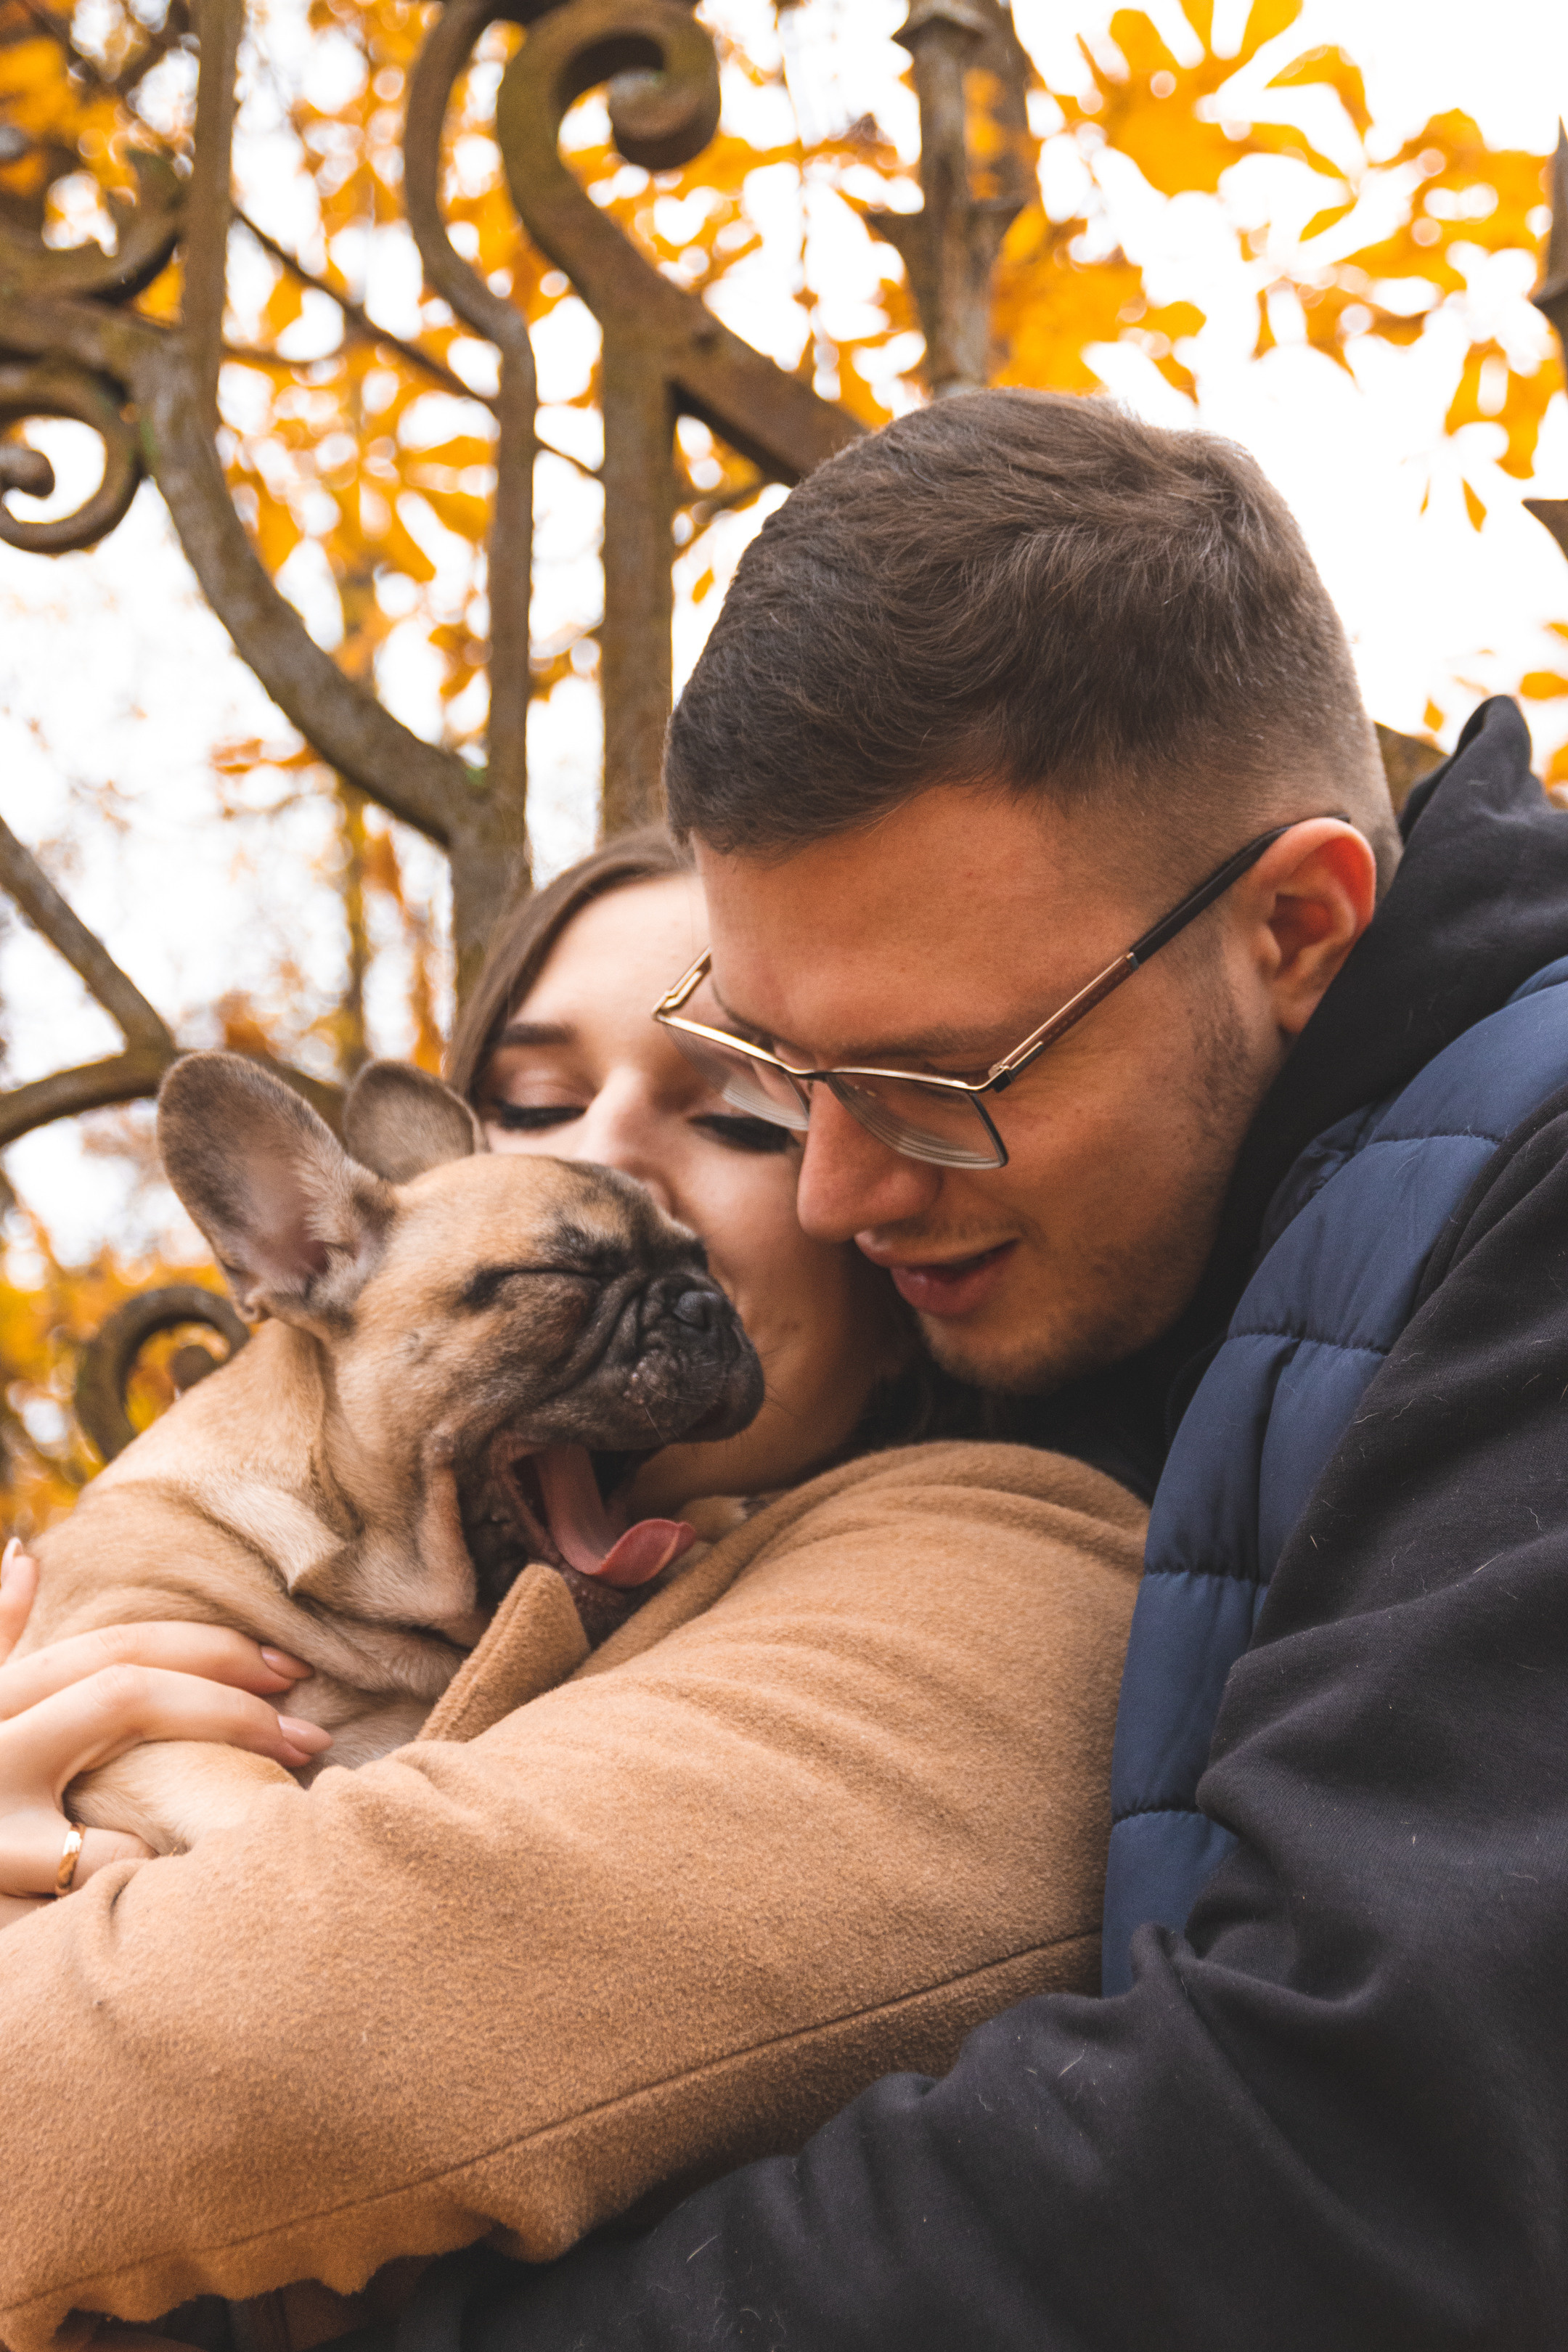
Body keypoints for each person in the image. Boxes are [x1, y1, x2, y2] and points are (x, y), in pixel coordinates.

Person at [341, 387, 1568, 2351]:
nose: (835, 1188)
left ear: (1297, 925)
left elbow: (1357, 2148)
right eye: (786, 1073)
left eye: (933, 1084)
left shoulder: (1530, 1193)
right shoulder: (1107, 1271)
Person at [0, 828, 1146, 2345]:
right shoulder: (229, 1548)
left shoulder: (993, 1569)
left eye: (744, 1110)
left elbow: (287, 2027)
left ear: (898, 1254)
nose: (595, 1156)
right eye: (528, 1109)